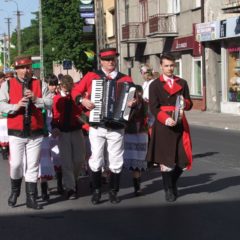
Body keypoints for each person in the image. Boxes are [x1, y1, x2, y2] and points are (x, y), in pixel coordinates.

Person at [72, 47, 135, 204]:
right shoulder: (92, 76)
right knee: (96, 158)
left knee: (116, 159)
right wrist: (82, 100)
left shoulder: (125, 79)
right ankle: (97, 190)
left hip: (116, 125)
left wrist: (132, 103)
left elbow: (133, 100)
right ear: (101, 61)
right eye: (107, 60)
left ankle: (114, 191)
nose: (111, 62)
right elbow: (75, 91)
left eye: (113, 59)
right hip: (97, 125)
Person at [0, 55, 52, 210]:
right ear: (16, 70)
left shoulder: (39, 83)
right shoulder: (7, 84)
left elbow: (50, 102)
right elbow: (1, 104)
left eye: (28, 67)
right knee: (16, 164)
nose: (26, 70)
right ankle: (15, 191)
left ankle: (31, 198)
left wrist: (37, 99)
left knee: (33, 165)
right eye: (22, 68)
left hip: (35, 130)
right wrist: (15, 107)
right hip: (16, 130)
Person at [148, 53, 193, 202]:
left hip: (180, 123)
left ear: (175, 65)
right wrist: (166, 119)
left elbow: (189, 103)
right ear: (161, 66)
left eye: (171, 65)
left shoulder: (182, 82)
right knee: (166, 160)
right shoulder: (155, 84)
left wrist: (184, 104)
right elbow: (154, 107)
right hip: (163, 125)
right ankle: (168, 189)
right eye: (166, 66)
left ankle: (172, 182)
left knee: (183, 160)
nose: (169, 68)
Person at [51, 75, 86, 200]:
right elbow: (55, 115)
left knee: (80, 159)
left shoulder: (75, 97)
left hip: (77, 130)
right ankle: (70, 188)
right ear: (61, 87)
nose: (67, 91)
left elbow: (82, 111)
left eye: (69, 89)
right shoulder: (56, 99)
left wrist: (85, 120)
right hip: (63, 132)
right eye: (65, 89)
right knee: (66, 162)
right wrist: (55, 126)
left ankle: (73, 180)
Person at [123, 85, 148, 196]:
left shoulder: (145, 104)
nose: (138, 96)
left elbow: (151, 117)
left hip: (142, 134)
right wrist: (129, 107)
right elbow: (124, 118)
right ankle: (137, 188)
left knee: (140, 161)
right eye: (137, 94)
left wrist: (147, 126)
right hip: (130, 134)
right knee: (134, 162)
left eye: (140, 94)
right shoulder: (128, 104)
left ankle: (137, 186)